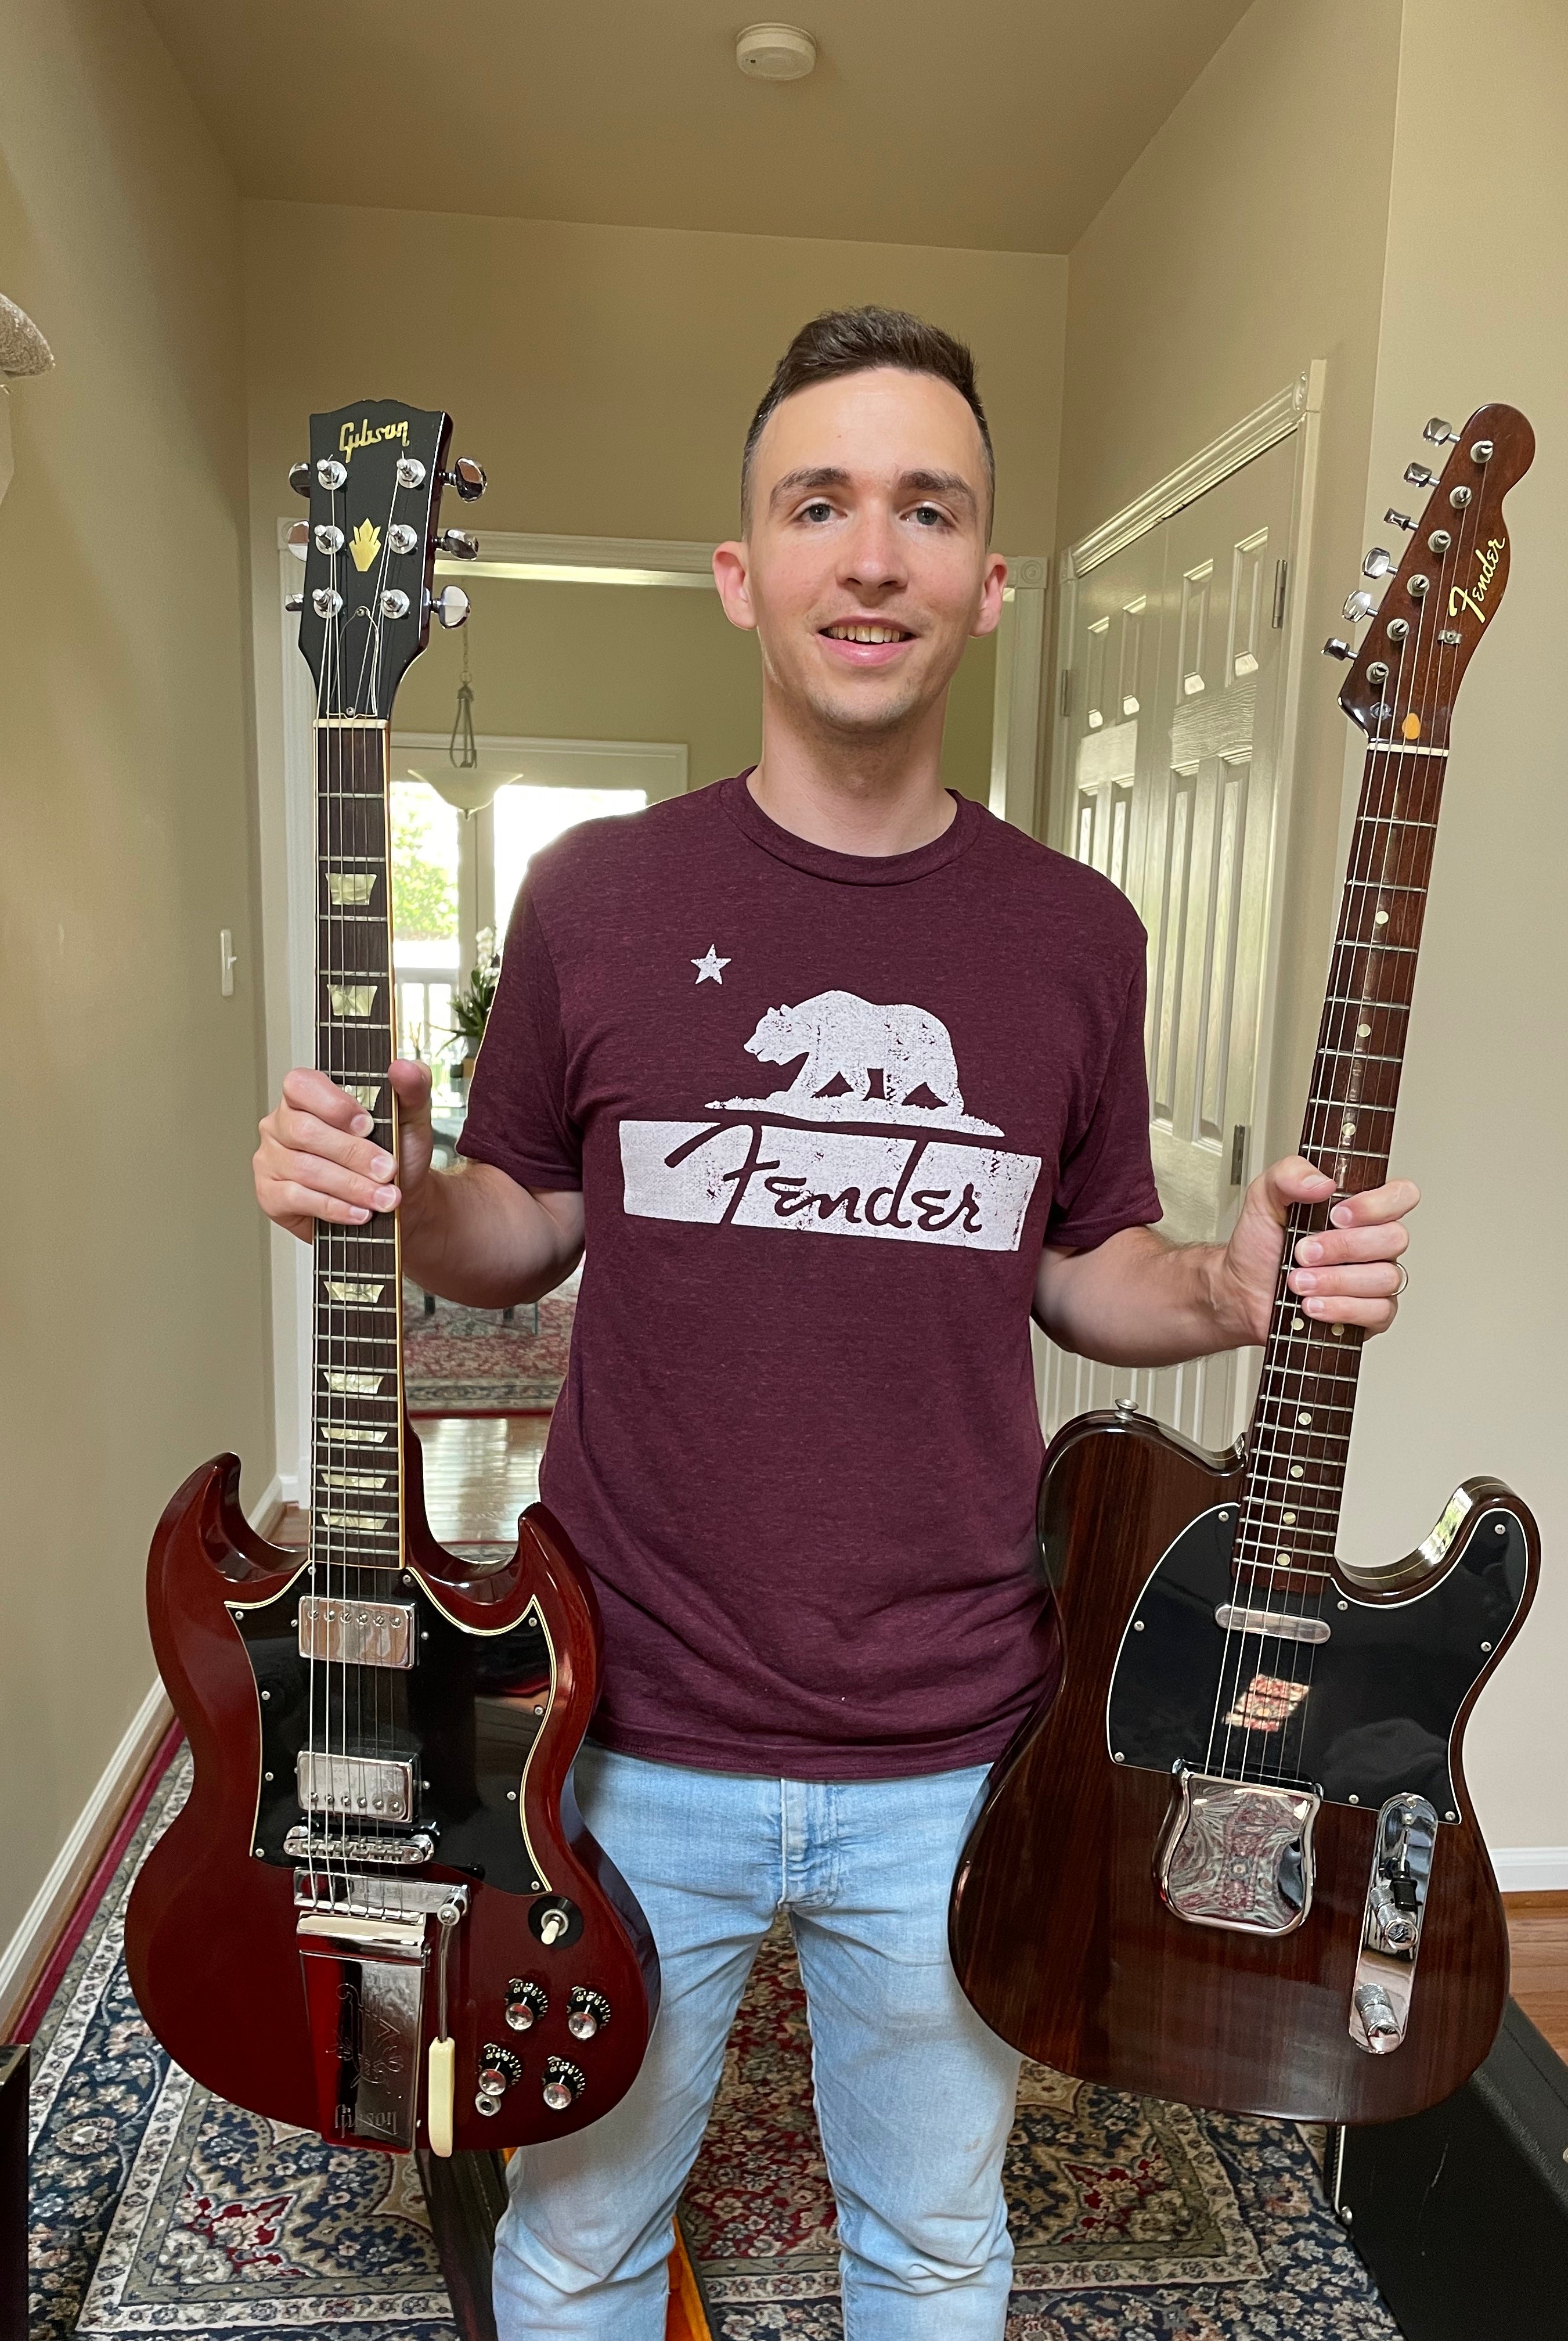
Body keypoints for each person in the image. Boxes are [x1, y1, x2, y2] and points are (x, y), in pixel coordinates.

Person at [254, 307, 1416, 2340]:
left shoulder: (1075, 934)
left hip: (955, 1737)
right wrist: (393, 1198)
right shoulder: (596, 897)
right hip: (626, 1721)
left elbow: (1082, 1260)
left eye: (926, 508)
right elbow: (521, 1229)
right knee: (584, 2232)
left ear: (990, 581)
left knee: (939, 2239)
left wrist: (1232, 1286)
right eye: (819, 504)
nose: (872, 555)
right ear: (742, 572)